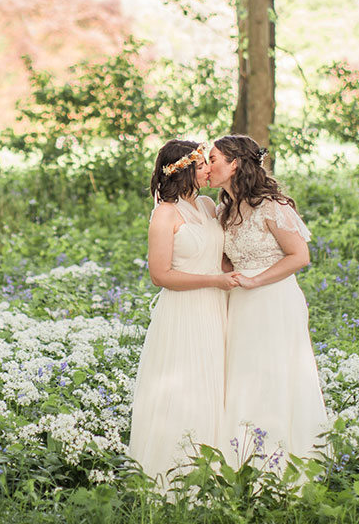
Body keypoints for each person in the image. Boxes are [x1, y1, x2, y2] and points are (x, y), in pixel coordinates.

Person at [206, 134, 330, 474]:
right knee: (244, 377)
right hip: (241, 303)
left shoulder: (271, 205)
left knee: (273, 376)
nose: (207, 165)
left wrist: (256, 280)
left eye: (213, 158)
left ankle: (280, 465)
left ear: (234, 164)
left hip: (274, 299)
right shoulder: (224, 210)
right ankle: (245, 458)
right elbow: (229, 261)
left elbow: (299, 256)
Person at [128, 139, 240, 490]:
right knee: (185, 386)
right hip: (183, 312)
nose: (209, 168)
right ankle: (172, 475)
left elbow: (221, 253)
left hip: (216, 308)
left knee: (214, 384)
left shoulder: (208, 206)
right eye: (203, 163)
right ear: (185, 170)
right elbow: (160, 275)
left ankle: (213, 467)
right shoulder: (165, 214)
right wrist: (214, 280)